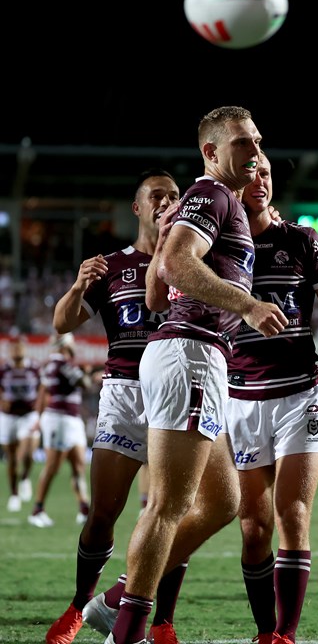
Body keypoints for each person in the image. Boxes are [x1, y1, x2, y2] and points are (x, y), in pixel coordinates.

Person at [105, 105, 288, 644]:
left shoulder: (204, 201)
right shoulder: (216, 194)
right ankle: (129, 629)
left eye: (256, 139)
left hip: (186, 352)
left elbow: (156, 293)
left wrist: (165, 243)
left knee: (223, 501)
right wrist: (248, 304)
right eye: (240, 144)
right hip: (191, 354)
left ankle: (118, 601)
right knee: (167, 506)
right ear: (210, 153)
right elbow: (179, 269)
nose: (253, 151)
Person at [227, 151, 318, 644]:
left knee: (292, 514)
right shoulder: (214, 247)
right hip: (239, 398)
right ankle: (266, 630)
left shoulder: (302, 240)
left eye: (264, 172)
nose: (260, 180)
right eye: (249, 173)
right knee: (252, 527)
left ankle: (284, 635)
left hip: (298, 395)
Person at [43, 169, 187, 644]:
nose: (167, 201)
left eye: (174, 195)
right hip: (126, 392)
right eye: (157, 195)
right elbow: (63, 322)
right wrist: (79, 285)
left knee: (175, 511)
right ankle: (79, 606)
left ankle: (160, 621)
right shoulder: (110, 266)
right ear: (138, 208)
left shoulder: (190, 260)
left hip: (179, 390)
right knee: (103, 510)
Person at [28, 332, 92, 528]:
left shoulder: (55, 364)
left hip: (70, 419)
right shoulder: (62, 364)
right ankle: (37, 510)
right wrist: (87, 373)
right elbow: (85, 384)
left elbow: (44, 391)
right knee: (53, 466)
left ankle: (84, 509)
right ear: (66, 345)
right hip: (59, 419)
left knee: (78, 465)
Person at [0, 335, 41, 513]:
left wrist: (39, 412)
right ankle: (14, 494)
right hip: (8, 417)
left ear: (25, 349)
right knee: (11, 460)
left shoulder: (34, 368)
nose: (17, 351)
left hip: (28, 415)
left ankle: (25, 478)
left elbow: (43, 390)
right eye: (14, 348)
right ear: (9, 351)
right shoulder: (3, 370)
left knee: (26, 455)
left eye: (20, 347)